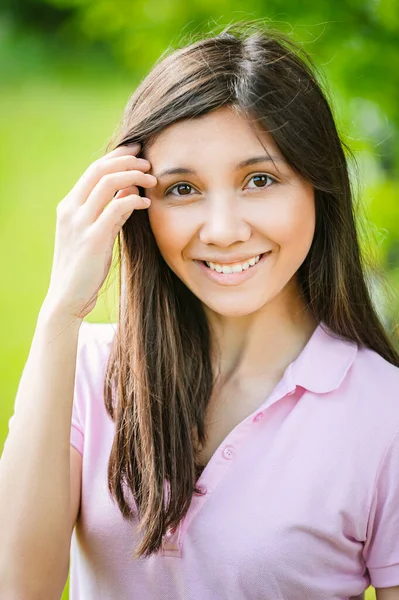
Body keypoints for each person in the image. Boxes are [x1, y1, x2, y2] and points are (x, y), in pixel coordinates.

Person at [1, 19, 398, 600]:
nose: (224, 230)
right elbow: (18, 587)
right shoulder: (87, 368)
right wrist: (60, 312)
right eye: (182, 189)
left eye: (259, 179)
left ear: (320, 186)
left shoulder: (383, 414)